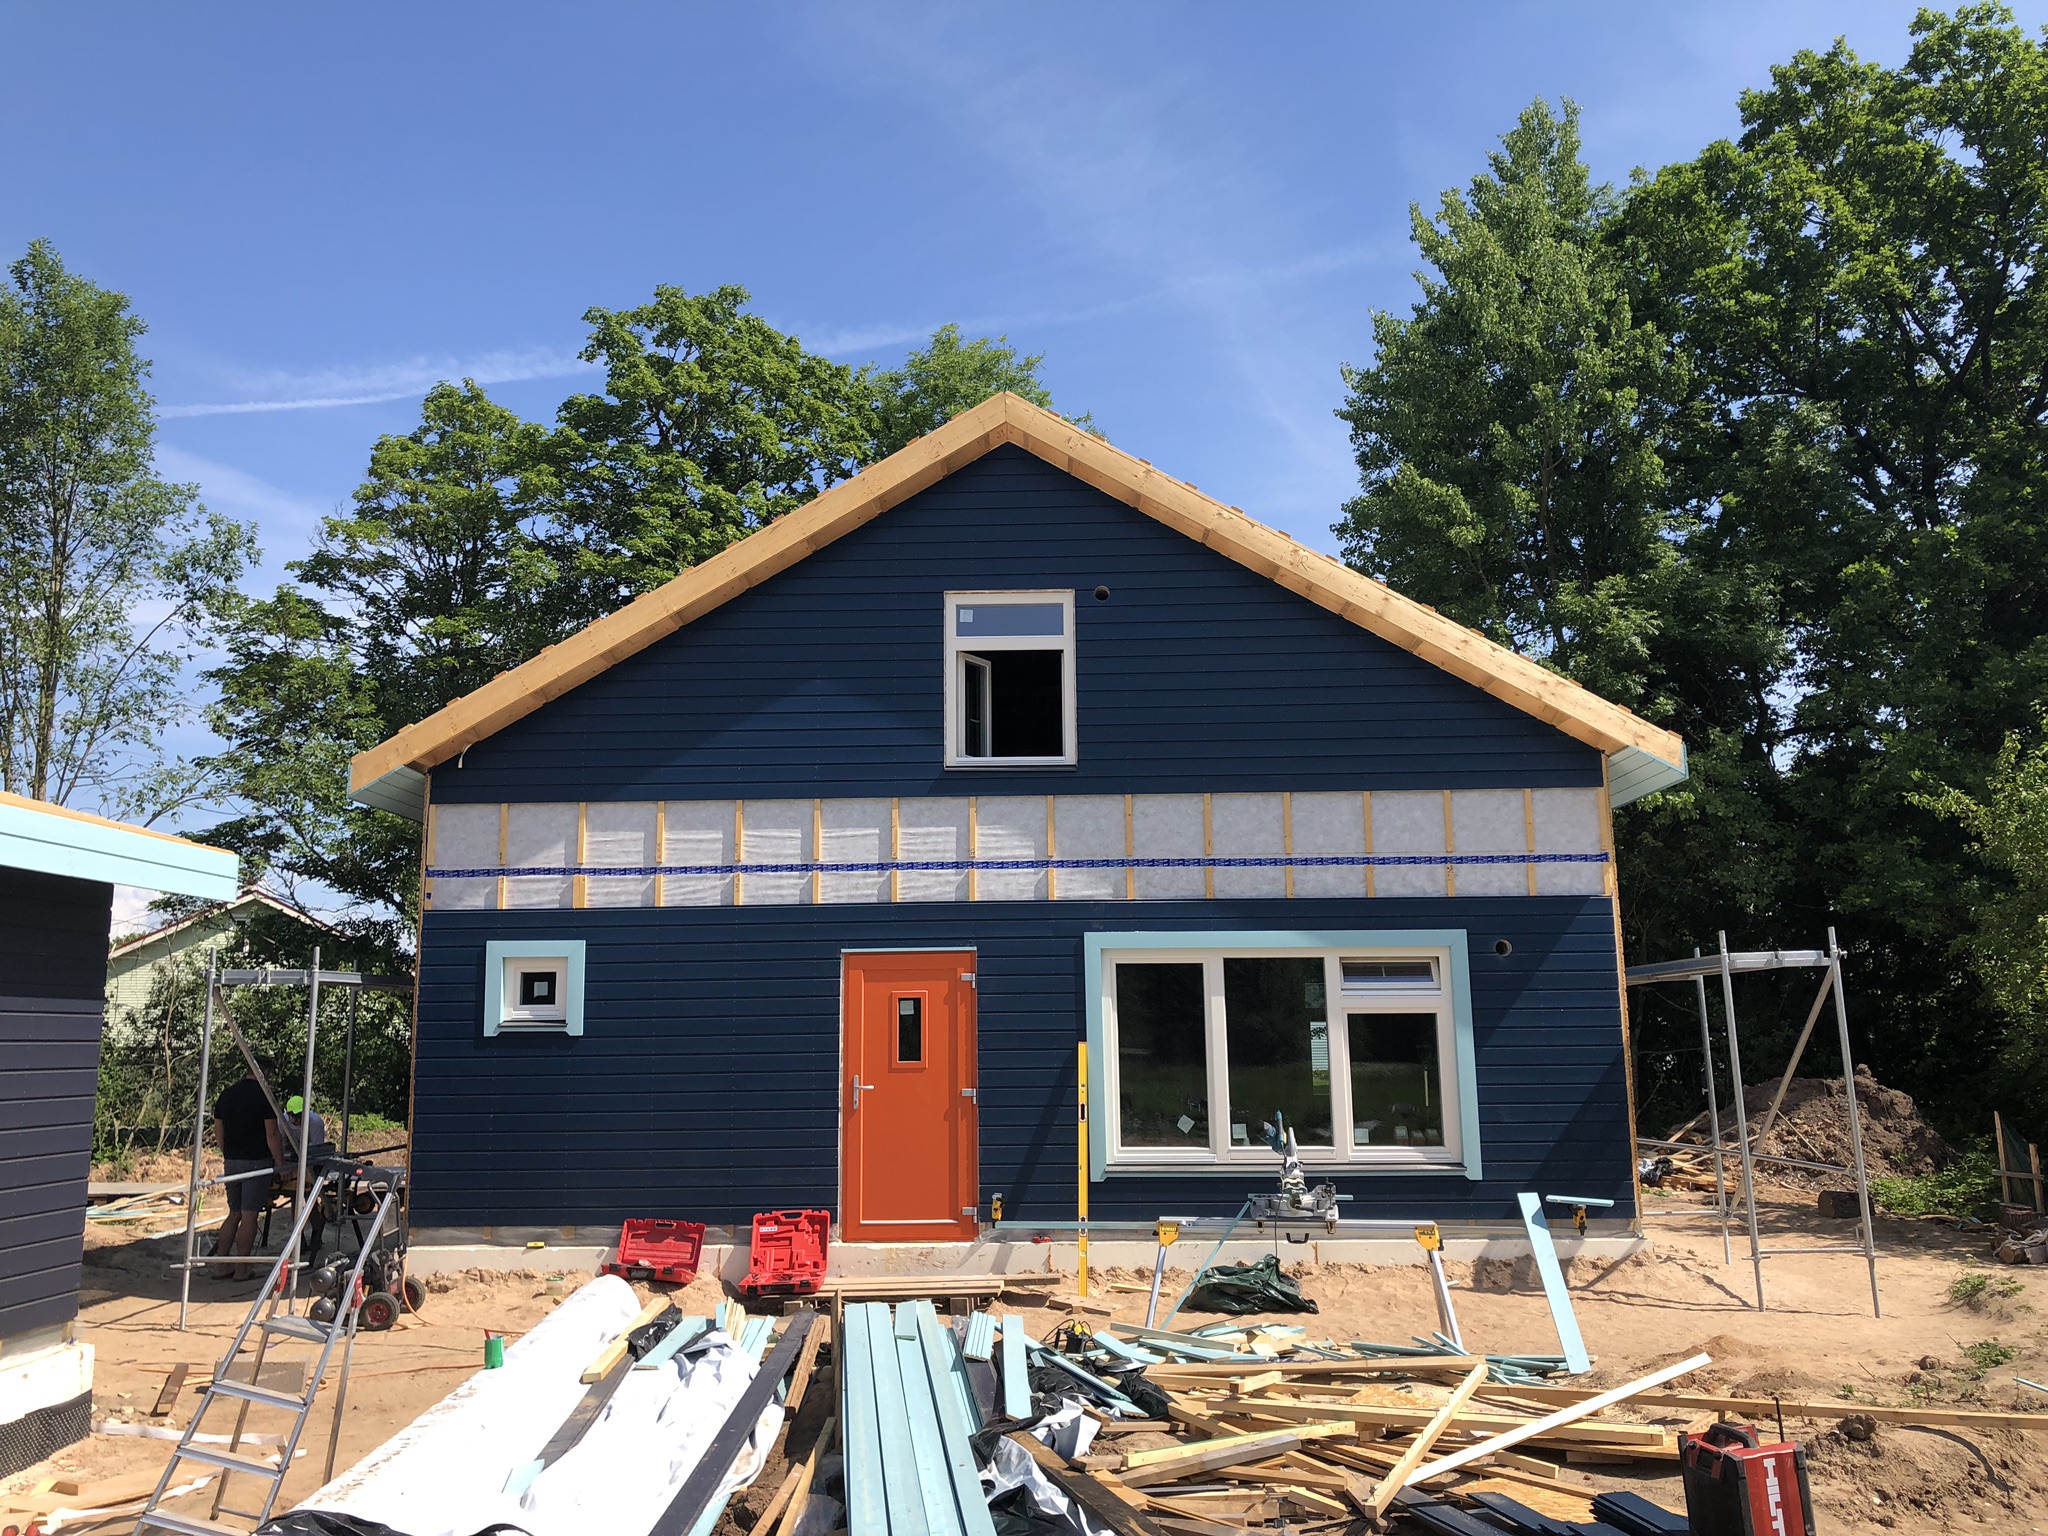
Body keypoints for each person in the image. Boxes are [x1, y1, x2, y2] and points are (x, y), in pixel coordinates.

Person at [212, 1056, 281, 1281]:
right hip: (256, 1161)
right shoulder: (264, 1096)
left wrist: (228, 1153)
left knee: (234, 1213)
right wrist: (281, 1164)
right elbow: (272, 1134)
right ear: (265, 1072)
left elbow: (218, 1131)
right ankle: (242, 1269)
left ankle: (221, 1266)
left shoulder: (227, 1095)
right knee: (250, 1215)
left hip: (232, 1161)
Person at [280, 1094, 329, 1160]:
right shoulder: (282, 1121)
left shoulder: (316, 1123)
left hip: (310, 1157)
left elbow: (317, 1148)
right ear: (288, 1114)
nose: (299, 1119)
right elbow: (282, 1145)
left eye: (301, 1115)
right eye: (296, 1116)